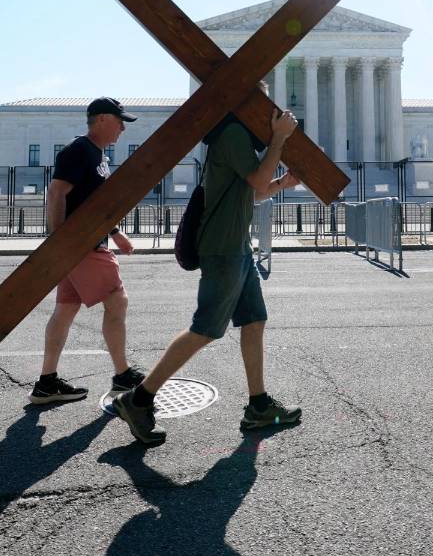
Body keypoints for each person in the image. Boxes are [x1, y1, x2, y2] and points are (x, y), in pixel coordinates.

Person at [115, 106, 303, 445]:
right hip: (223, 249)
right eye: (262, 102)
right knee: (205, 328)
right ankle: (138, 399)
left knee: (254, 320)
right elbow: (256, 180)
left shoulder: (238, 139)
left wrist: (281, 183)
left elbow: (253, 189)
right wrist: (279, 139)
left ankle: (258, 405)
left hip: (237, 247)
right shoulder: (232, 134)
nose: (269, 111)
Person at [30, 97, 144, 405]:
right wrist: (59, 240)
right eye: (120, 121)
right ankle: (122, 375)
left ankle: (47, 382)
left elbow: (92, 204)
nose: (123, 128)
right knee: (117, 302)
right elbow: (56, 192)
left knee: (65, 310)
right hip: (81, 245)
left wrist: (116, 233)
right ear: (103, 119)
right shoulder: (79, 150)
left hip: (82, 244)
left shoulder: (98, 155)